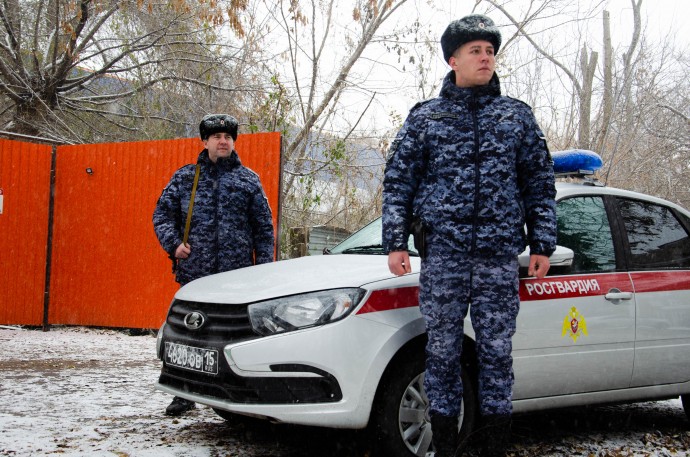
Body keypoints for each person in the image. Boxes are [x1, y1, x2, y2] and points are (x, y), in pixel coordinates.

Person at [382, 15, 556, 457]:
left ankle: (493, 448)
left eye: (490, 51)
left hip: (498, 257)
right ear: (452, 59)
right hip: (445, 256)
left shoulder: (516, 116)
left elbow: (539, 181)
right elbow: (399, 181)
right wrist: (395, 241)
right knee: (441, 354)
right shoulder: (427, 118)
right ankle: (445, 447)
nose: (486, 58)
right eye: (476, 51)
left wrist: (542, 243)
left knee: (496, 354)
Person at [153, 114, 275, 416]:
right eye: (217, 136)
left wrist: (265, 269)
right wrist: (174, 245)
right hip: (197, 272)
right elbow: (162, 215)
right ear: (204, 141)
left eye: (228, 137)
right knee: (187, 334)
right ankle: (183, 391)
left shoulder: (248, 180)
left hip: (237, 277)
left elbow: (264, 229)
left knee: (234, 335)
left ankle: (234, 390)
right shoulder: (185, 177)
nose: (223, 141)